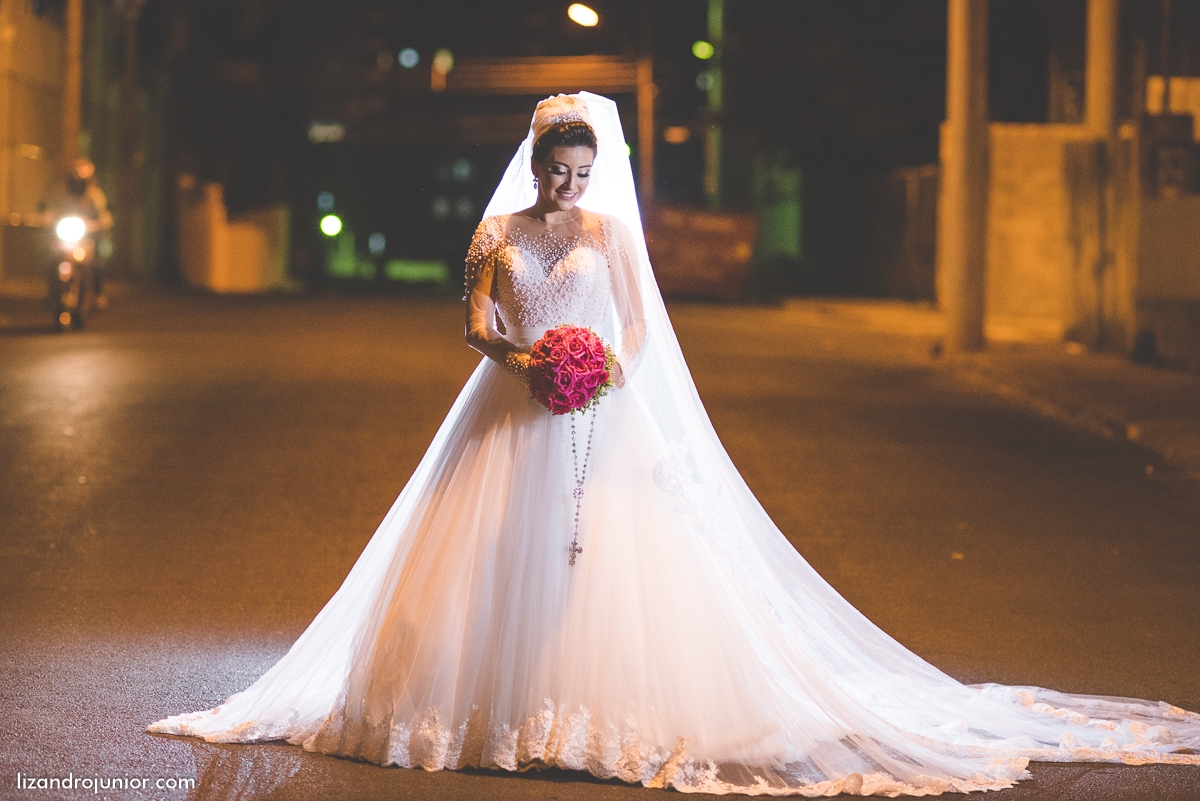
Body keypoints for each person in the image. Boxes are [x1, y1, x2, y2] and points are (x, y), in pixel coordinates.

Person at [148, 93, 1200, 795]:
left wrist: (597, 364)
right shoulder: (497, 236)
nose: (568, 189)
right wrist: (526, 362)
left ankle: (598, 712)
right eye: (556, 173)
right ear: (534, 168)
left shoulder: (610, 236)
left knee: (625, 566)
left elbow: (643, 328)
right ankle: (496, 715)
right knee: (485, 564)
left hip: (603, 403)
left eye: (579, 174)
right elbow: (472, 321)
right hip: (512, 407)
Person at [48, 158, 113, 303]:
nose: (77, 183)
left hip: (87, 238)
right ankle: (52, 293)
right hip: (65, 237)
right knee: (53, 258)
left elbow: (104, 215)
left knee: (97, 262)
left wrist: (98, 223)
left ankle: (98, 292)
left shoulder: (95, 195)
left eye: (81, 180)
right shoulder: (60, 193)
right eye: (74, 178)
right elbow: (51, 210)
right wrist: (47, 218)